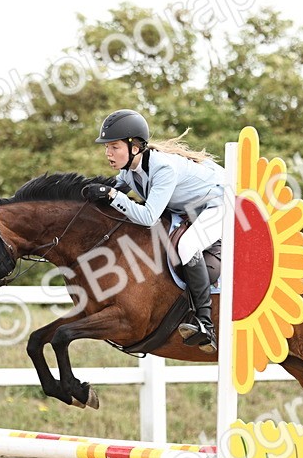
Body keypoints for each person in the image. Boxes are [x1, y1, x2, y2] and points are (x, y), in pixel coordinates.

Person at [82, 109, 223, 352]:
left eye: (114, 146)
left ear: (134, 146)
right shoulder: (129, 170)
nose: (108, 153)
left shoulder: (163, 168)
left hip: (222, 204)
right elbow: (116, 195)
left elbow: (148, 217)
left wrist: (113, 195)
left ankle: (204, 323)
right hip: (188, 208)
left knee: (187, 247)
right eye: (107, 147)